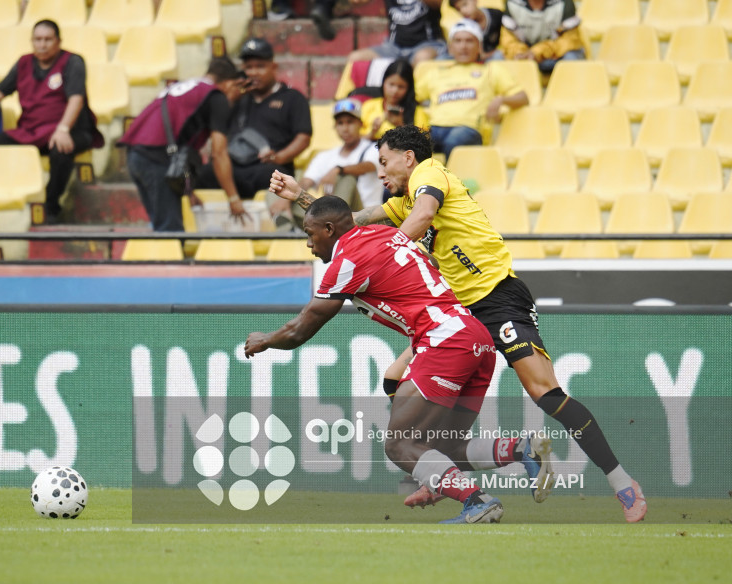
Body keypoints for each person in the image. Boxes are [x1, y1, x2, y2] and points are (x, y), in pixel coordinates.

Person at [268, 125, 647, 523]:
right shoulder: (403, 203)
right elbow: (350, 223)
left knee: (545, 392)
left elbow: (425, 213)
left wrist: (388, 254)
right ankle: (449, 469)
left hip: (497, 297)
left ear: (408, 158)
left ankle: (622, 481)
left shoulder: (429, 175)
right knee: (394, 382)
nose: (380, 174)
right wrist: (301, 198)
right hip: (454, 315)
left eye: (384, 163)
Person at [244, 195, 553, 524]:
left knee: (399, 445)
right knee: (441, 448)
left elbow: (302, 328)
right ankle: (522, 449)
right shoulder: (383, 233)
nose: (308, 243)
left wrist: (266, 340)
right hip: (475, 337)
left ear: (329, 229)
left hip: (444, 341)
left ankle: (478, 501)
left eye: (310, 233)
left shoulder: (347, 259)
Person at [0, 19, 104, 224]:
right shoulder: (24, 63)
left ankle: (51, 207)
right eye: (37, 40)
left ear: (58, 41)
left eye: (47, 39)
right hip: (32, 130)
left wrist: (63, 129)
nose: (42, 44)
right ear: (32, 41)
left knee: (60, 150)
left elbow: (76, 98)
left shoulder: (73, 62)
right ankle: (3, 196)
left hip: (70, 129)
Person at [118, 57, 247, 232]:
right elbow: (219, 153)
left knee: (161, 227)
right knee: (170, 231)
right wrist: (233, 198)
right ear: (229, 83)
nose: (235, 96)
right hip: (156, 160)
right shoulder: (215, 96)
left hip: (136, 156)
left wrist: (188, 191)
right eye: (236, 89)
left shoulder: (183, 88)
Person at [192, 38, 312, 202]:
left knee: (276, 178)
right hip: (232, 165)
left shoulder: (293, 98)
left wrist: (279, 157)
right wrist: (230, 99)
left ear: (273, 67)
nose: (253, 72)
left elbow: (303, 138)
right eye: (248, 67)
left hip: (267, 167)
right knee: (203, 173)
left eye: (260, 66)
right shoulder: (236, 98)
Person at [415, 18, 528, 158]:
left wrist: (501, 100)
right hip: (436, 127)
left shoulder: (491, 70)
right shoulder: (436, 72)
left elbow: (523, 98)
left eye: (469, 41)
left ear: (479, 46)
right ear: (450, 47)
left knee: (452, 143)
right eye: (458, 41)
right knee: (412, 145)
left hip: (469, 129)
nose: (463, 46)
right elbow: (412, 97)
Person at [268, 98, 383, 229]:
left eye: (350, 122)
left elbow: (368, 166)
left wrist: (338, 170)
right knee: (276, 188)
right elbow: (306, 182)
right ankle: (289, 230)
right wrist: (286, 199)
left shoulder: (372, 148)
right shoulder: (326, 156)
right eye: (340, 123)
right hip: (327, 218)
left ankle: (328, 225)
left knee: (346, 179)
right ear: (335, 127)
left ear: (361, 124)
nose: (345, 128)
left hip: (362, 217)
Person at [348, 0, 448, 67]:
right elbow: (356, 1)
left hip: (428, 44)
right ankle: (355, 96)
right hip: (393, 46)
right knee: (356, 58)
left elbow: (440, 3)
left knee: (422, 58)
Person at [500, 0, 586, 74]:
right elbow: (508, 39)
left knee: (572, 56)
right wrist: (519, 53)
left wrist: (537, 52)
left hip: (554, 56)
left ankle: (570, 92)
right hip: (525, 56)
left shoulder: (564, 3)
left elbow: (570, 40)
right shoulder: (512, 3)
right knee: (497, 58)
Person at [360, 58, 428, 143]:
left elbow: (423, 145)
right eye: (391, 85)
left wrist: (400, 125)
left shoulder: (418, 112)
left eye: (401, 87)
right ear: (383, 82)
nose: (395, 91)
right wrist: (372, 133)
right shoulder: (368, 106)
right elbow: (353, 140)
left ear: (409, 89)